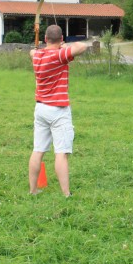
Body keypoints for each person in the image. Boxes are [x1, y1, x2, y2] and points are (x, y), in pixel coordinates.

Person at [28, 24, 88, 197]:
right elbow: (82, 46)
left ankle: (33, 190)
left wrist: (40, 48)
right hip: (58, 110)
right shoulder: (59, 55)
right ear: (61, 39)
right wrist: (64, 46)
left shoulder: (37, 55)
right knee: (61, 153)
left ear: (45, 39)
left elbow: (32, 52)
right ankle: (66, 194)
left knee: (38, 150)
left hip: (40, 108)